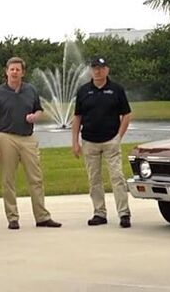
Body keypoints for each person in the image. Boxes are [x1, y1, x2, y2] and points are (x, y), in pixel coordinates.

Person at [0, 56, 62, 230]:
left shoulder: (31, 90)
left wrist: (36, 116)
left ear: (23, 72)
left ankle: (42, 217)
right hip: (6, 137)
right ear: (6, 71)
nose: (14, 72)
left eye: (18, 69)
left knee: (36, 178)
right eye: (11, 69)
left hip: (28, 138)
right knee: (8, 179)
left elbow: (39, 109)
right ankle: (13, 217)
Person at [72, 57, 132, 228]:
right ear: (91, 70)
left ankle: (124, 213)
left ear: (107, 70)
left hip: (110, 140)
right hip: (89, 141)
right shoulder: (83, 91)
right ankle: (99, 213)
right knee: (94, 179)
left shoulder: (116, 90)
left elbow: (126, 115)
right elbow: (77, 117)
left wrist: (119, 137)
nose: (98, 71)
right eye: (95, 68)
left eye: (101, 68)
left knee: (117, 177)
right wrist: (75, 142)